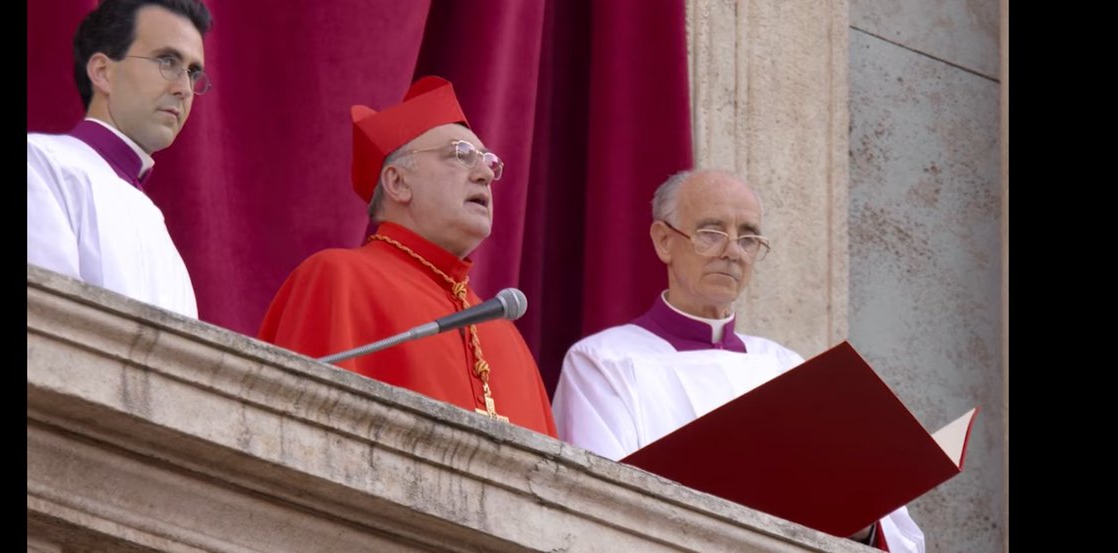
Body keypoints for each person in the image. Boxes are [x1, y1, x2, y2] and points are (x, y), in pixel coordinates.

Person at [551, 168, 924, 551]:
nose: (732, 252)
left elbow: (894, 536)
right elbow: (599, 513)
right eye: (711, 232)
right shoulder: (603, 362)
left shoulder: (789, 369)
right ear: (664, 241)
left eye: (748, 238)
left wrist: (861, 525)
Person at [258, 76, 557, 438]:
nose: (484, 175)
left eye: (490, 163)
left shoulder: (506, 333)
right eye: (460, 155)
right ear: (398, 182)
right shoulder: (337, 278)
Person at [27, 0, 213, 318]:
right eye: (167, 61)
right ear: (103, 72)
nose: (184, 88)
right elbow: (49, 330)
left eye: (193, 73)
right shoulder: (41, 165)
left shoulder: (158, 231)